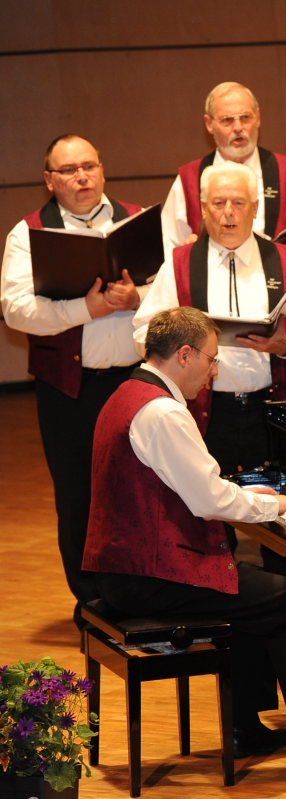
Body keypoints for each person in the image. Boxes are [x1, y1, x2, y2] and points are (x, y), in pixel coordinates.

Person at [83, 306, 286, 762]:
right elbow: (209, 500)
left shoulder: (130, 391)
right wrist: (276, 504)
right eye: (211, 359)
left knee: (251, 593)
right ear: (184, 355)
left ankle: (245, 726)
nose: (214, 370)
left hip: (126, 568)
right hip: (148, 578)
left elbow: (193, 484)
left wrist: (248, 494)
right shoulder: (163, 412)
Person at [1, 134, 144, 616]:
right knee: (78, 492)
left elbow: (173, 287)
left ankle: (143, 588)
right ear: (49, 180)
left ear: (102, 169)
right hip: (69, 389)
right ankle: (92, 598)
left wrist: (138, 299)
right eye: (68, 170)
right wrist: (87, 308)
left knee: (141, 487)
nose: (82, 176)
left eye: (89, 166)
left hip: (136, 382)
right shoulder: (28, 232)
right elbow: (16, 309)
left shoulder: (136, 219)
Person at [134, 161, 286, 476]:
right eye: (218, 203)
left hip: (270, 409)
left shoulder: (284, 259)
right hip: (203, 411)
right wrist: (181, 352)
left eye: (238, 203)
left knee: (272, 497)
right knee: (204, 499)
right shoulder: (180, 263)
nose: (228, 212)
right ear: (203, 209)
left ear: (255, 208)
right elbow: (144, 331)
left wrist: (285, 345)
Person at [161, 81, 286, 280]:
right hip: (210, 292)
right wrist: (189, 254)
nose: (238, 128)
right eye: (227, 120)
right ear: (209, 124)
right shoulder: (189, 179)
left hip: (274, 291)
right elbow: (167, 256)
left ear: (258, 117)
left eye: (245, 118)